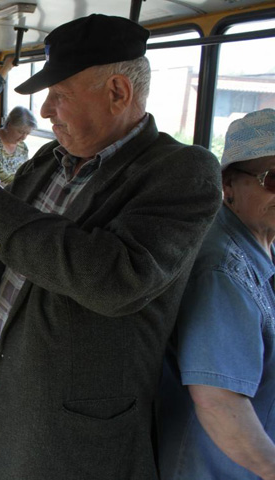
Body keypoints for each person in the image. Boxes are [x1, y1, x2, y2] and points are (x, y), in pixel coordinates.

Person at [0, 14, 223, 479]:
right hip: (1, 406)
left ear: (118, 92)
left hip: (73, 443)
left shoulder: (181, 172)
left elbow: (117, 278)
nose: (48, 109)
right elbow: (5, 246)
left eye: (60, 94)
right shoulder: (47, 161)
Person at [158, 109, 275, 480]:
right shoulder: (221, 269)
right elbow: (219, 402)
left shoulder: (260, 240)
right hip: (214, 466)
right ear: (228, 185)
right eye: (273, 179)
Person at [0, 106, 37, 185]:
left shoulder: (22, 147)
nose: (23, 138)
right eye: (20, 132)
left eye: (27, 133)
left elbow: (26, 171)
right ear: (9, 125)